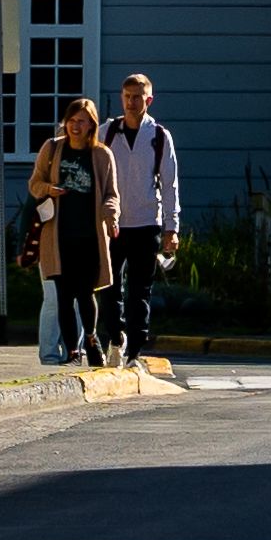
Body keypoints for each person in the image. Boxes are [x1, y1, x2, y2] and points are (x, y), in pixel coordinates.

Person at [100, 69, 189, 366]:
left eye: (137, 97)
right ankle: (115, 337)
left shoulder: (159, 137)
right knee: (109, 286)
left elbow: (169, 183)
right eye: (127, 97)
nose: (131, 103)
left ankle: (136, 348)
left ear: (148, 100)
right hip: (112, 223)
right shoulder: (108, 132)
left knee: (140, 290)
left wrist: (171, 228)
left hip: (146, 221)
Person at [33, 96, 115, 365]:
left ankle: (90, 337)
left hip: (89, 236)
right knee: (64, 295)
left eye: (81, 121)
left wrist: (111, 217)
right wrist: (48, 189)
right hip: (59, 236)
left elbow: (111, 194)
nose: (75, 126)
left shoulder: (101, 155)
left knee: (86, 292)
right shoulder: (53, 148)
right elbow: (35, 184)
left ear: (92, 125)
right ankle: (72, 351)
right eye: (71, 121)